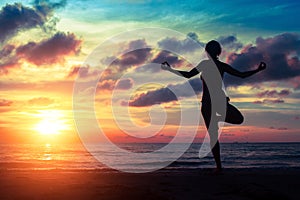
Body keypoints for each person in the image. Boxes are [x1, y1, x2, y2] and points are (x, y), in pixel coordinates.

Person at [161, 40, 266, 173]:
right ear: (218, 52)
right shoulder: (210, 65)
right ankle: (219, 167)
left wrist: (258, 70)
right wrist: (258, 69)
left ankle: (218, 164)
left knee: (233, 123)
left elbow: (241, 75)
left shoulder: (212, 65)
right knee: (215, 135)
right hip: (212, 103)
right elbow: (241, 75)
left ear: (209, 51)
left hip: (214, 103)